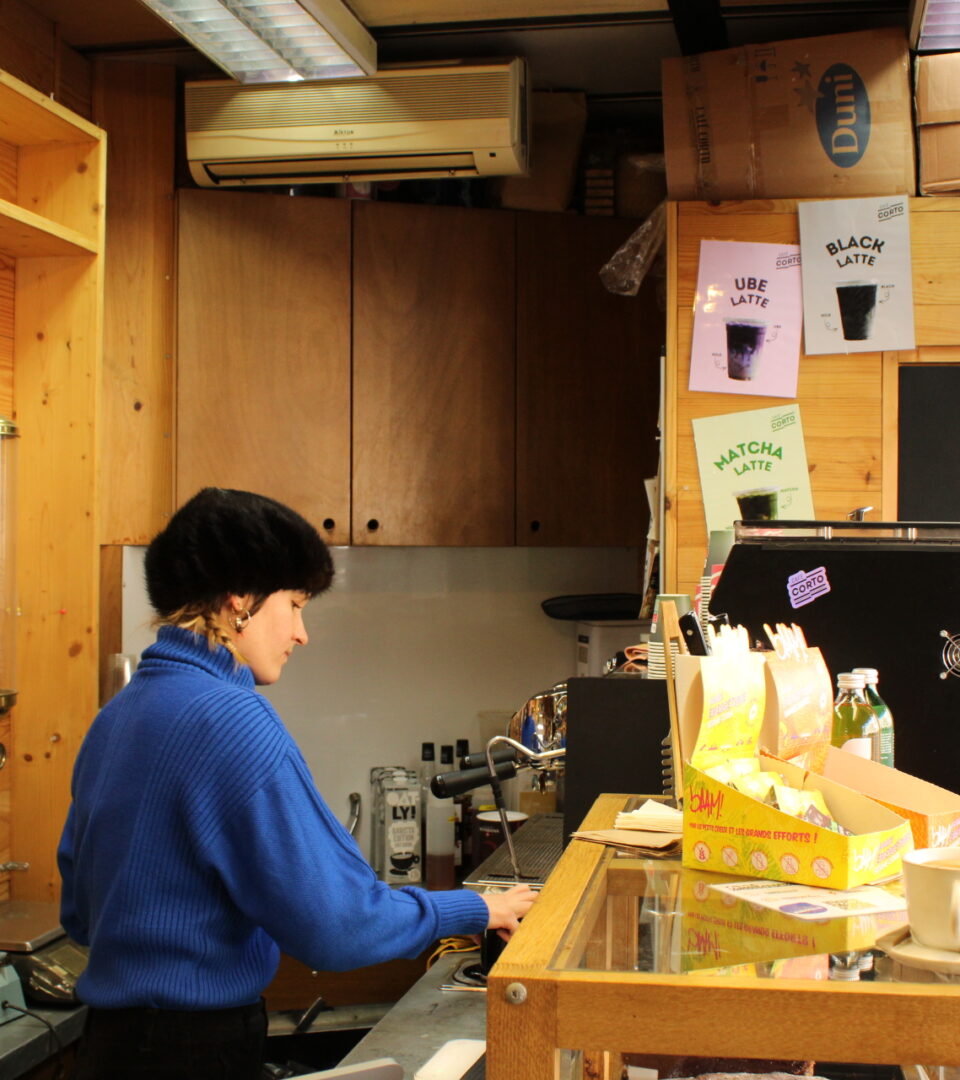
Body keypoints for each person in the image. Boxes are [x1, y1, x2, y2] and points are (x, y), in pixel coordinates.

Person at [57, 487, 537, 1080]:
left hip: (107, 1049)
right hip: (193, 1055)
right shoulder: (232, 719)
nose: (302, 633)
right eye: (295, 604)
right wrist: (475, 908)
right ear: (241, 602)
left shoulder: (120, 713)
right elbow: (338, 926)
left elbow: (80, 912)